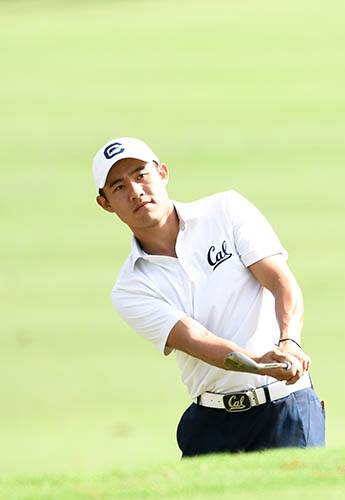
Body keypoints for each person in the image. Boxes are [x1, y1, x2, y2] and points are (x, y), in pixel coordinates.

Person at [92, 137, 325, 457]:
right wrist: (257, 364)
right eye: (118, 187)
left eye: (141, 174)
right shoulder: (131, 286)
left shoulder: (226, 209)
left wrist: (290, 343)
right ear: (105, 204)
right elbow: (195, 338)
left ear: (162, 174)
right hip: (213, 422)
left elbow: (280, 281)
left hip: (287, 405)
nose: (135, 190)